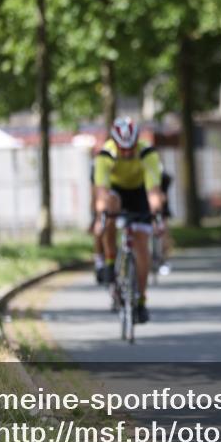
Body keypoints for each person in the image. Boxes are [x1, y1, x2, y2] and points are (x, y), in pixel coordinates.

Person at [92, 117, 165, 322]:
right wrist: (100, 218)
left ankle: (141, 300)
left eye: (130, 149)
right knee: (108, 209)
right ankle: (109, 260)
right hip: (115, 192)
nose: (126, 153)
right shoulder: (105, 155)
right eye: (122, 149)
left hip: (140, 192)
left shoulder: (147, 153)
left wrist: (157, 216)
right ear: (114, 142)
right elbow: (101, 193)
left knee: (142, 246)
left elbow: (153, 192)